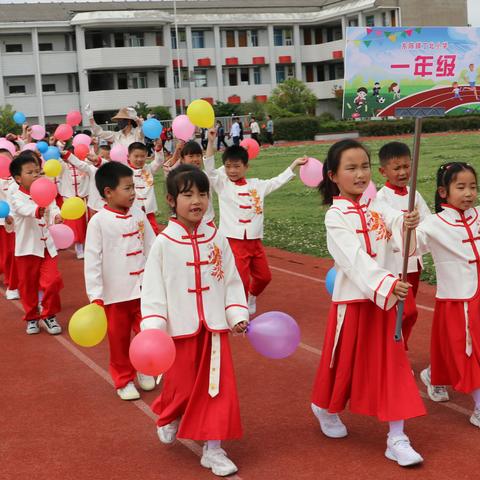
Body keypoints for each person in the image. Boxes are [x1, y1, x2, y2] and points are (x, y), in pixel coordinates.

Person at [311, 139, 425, 467]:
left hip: (385, 304)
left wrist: (407, 224)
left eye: (364, 166)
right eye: (351, 168)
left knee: (394, 365)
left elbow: (395, 225)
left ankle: (397, 437)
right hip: (354, 302)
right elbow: (353, 259)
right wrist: (389, 283)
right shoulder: (335, 217)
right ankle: (324, 407)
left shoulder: (377, 206)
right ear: (333, 175)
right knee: (340, 367)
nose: (360, 174)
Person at [140, 164, 249, 477]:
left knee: (217, 389)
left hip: (214, 329)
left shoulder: (218, 238)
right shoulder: (163, 243)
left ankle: (213, 449)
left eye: (202, 193)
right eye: (188, 194)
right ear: (172, 200)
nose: (196, 200)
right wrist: (155, 329)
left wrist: (237, 314)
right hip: (179, 330)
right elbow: (153, 289)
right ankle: (168, 413)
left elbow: (231, 281)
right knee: (181, 387)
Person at [204, 131, 307, 314]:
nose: (232, 171)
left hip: (255, 240)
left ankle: (251, 296)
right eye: (228, 167)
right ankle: (238, 313)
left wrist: (294, 165)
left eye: (236, 166)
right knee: (240, 280)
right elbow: (210, 169)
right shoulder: (222, 185)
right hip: (234, 241)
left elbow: (276, 181)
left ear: (246, 166)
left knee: (264, 277)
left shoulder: (257, 185)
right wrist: (211, 141)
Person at [415, 162, 480, 428]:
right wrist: (407, 228)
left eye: (473, 187)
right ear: (443, 192)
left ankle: (433, 374)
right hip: (457, 299)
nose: (468, 193)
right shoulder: (432, 225)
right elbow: (407, 250)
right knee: (466, 352)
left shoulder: (479, 215)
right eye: (460, 187)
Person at [84, 161, 156, 400]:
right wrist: (96, 296)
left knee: (149, 331)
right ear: (108, 192)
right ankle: (123, 378)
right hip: (115, 295)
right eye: (127, 188)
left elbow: (152, 245)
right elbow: (92, 260)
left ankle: (145, 367)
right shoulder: (98, 222)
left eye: (134, 187)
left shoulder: (138, 213)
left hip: (144, 289)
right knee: (119, 340)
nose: (133, 193)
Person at [375, 142, 432, 350]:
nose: (403, 172)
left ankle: (399, 349)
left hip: (413, 264)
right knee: (406, 312)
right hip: (395, 267)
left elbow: (428, 222)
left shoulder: (414, 194)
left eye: (407, 166)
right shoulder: (380, 198)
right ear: (383, 171)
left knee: (406, 314)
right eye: (396, 168)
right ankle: (395, 352)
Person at [8, 152, 64, 335]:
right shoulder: (14, 193)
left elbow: (53, 205)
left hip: (47, 246)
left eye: (37, 172)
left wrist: (56, 215)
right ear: (18, 178)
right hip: (27, 248)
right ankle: (32, 317)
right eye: (30, 172)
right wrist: (38, 210)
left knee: (53, 281)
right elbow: (21, 209)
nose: (35, 175)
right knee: (28, 285)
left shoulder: (46, 188)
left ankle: (49, 315)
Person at [57, 144, 90, 259]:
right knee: (74, 224)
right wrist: (57, 150)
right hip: (69, 199)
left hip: (83, 198)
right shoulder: (63, 167)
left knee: (84, 224)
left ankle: (85, 247)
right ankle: (78, 247)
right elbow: (54, 159)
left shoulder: (84, 165)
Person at [127, 142, 165, 235]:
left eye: (142, 156)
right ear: (128, 156)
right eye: (136, 156)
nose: (139, 159)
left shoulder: (149, 168)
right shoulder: (125, 171)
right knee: (135, 232)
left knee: (153, 231)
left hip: (149, 210)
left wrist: (159, 149)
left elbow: (159, 161)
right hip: (133, 209)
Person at [0, 147, 19, 300]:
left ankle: (12, 284)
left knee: (12, 254)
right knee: (6, 254)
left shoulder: (17, 179)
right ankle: (11, 284)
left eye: (8, 159)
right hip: (2, 221)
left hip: (15, 222)